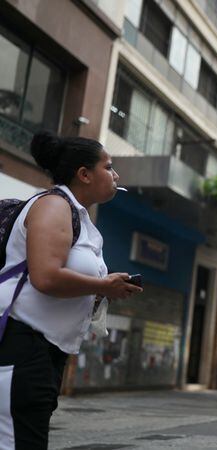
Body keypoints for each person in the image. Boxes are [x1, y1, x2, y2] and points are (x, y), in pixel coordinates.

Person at [0, 131, 143, 449]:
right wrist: (104, 285)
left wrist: (104, 289)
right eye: (108, 166)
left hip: (45, 348)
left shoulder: (80, 217)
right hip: (20, 341)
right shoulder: (53, 205)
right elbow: (46, 277)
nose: (115, 175)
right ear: (84, 174)